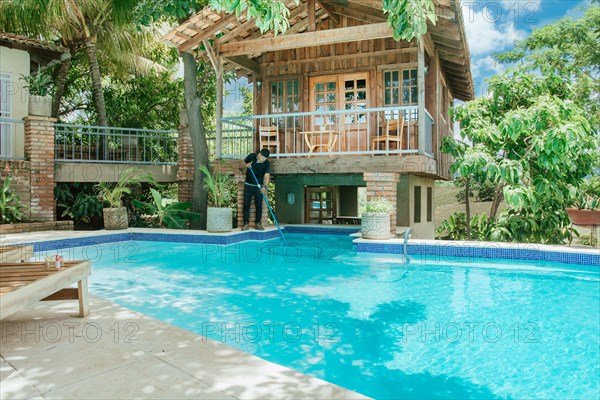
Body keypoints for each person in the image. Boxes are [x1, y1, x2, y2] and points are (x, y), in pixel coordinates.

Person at [242, 148, 270, 231]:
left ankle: (258, 223)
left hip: (259, 187)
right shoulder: (252, 156)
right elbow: (242, 163)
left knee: (259, 205)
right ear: (259, 155)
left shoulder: (266, 164)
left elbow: (266, 175)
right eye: (263, 158)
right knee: (246, 205)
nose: (264, 160)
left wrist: (264, 186)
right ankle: (245, 224)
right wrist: (246, 165)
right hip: (248, 185)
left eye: (266, 159)